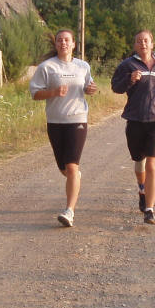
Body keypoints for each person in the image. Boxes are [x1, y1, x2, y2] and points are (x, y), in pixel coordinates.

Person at [29, 29, 98, 227]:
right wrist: (53, 92)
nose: (63, 43)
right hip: (55, 122)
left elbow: (89, 86)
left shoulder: (83, 66)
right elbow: (35, 94)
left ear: (74, 44)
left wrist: (91, 89)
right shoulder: (46, 67)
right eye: (60, 40)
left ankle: (69, 211)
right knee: (64, 169)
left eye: (67, 40)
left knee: (72, 166)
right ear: (56, 44)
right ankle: (74, 178)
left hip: (77, 119)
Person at [111, 30, 155, 225]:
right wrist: (130, 79)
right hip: (135, 118)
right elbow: (116, 87)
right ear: (135, 46)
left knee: (151, 164)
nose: (143, 43)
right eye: (139, 41)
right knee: (139, 161)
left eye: (146, 40)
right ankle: (142, 189)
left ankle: (149, 209)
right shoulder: (127, 65)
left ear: (152, 43)